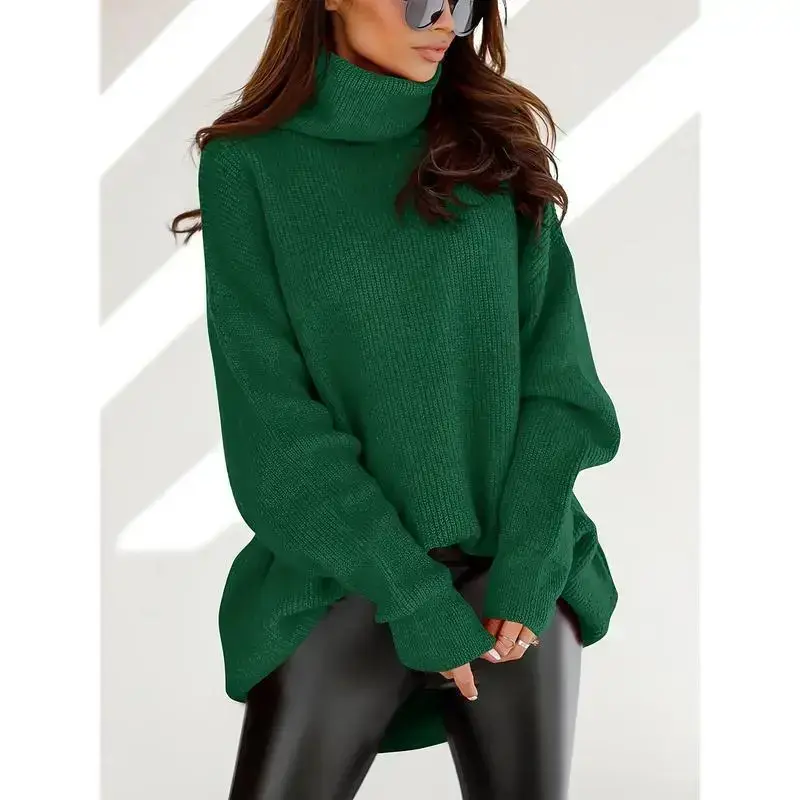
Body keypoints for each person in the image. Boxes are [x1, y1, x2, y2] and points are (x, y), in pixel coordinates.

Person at [169, 1, 622, 797]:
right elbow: (273, 424)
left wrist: (528, 567)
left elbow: (562, 393)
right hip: (346, 576)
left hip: (512, 574)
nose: (444, 18)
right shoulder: (251, 166)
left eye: (466, 1)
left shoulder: (498, 150)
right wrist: (409, 593)